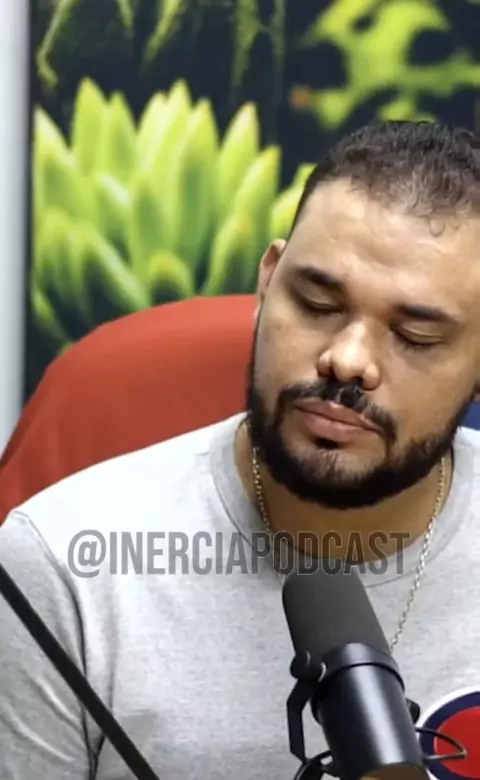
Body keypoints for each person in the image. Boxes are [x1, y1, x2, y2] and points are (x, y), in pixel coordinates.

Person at [1, 119, 480, 780]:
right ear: (268, 281)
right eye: (316, 304)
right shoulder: (61, 564)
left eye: (415, 336)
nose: (347, 360)